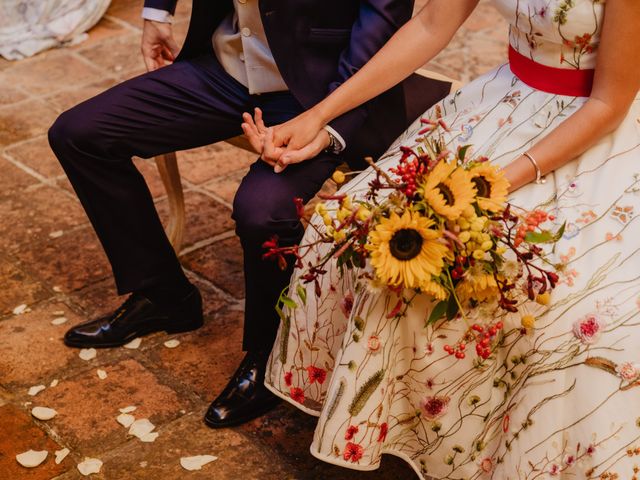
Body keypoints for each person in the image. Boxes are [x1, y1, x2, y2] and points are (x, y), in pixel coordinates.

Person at [244, 0, 640, 477]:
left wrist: (489, 184)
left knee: (562, 308)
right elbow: (432, 24)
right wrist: (320, 117)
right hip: (503, 104)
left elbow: (608, 103)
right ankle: (388, 414)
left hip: (593, 130)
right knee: (349, 228)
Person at [47, 0, 451, 429]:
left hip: (324, 91)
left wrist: (327, 127)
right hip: (223, 70)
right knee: (79, 135)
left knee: (262, 212)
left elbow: (380, 38)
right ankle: (165, 296)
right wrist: (157, 14)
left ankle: (270, 356)